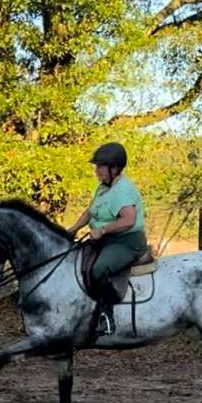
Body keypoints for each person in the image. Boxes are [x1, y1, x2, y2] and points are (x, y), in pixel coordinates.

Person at [68, 142, 147, 336]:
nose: (96, 171)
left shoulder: (122, 190)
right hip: (107, 239)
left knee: (99, 269)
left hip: (126, 242)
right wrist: (73, 228)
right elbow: (91, 210)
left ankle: (107, 318)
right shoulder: (104, 188)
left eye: (100, 167)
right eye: (97, 167)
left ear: (114, 168)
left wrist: (102, 230)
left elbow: (129, 220)